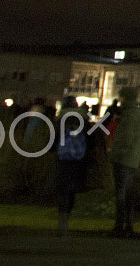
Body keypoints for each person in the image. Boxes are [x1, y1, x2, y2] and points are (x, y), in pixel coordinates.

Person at [108, 85, 140, 237]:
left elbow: (127, 138)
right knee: (128, 193)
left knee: (122, 193)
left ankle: (120, 225)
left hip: (124, 159)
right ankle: (128, 224)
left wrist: (116, 154)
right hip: (132, 159)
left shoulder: (129, 116)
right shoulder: (136, 114)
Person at [54, 96, 90, 233]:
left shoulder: (60, 120)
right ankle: (67, 217)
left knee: (62, 188)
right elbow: (89, 139)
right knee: (71, 189)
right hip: (78, 159)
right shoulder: (83, 119)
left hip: (62, 158)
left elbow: (53, 139)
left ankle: (61, 217)